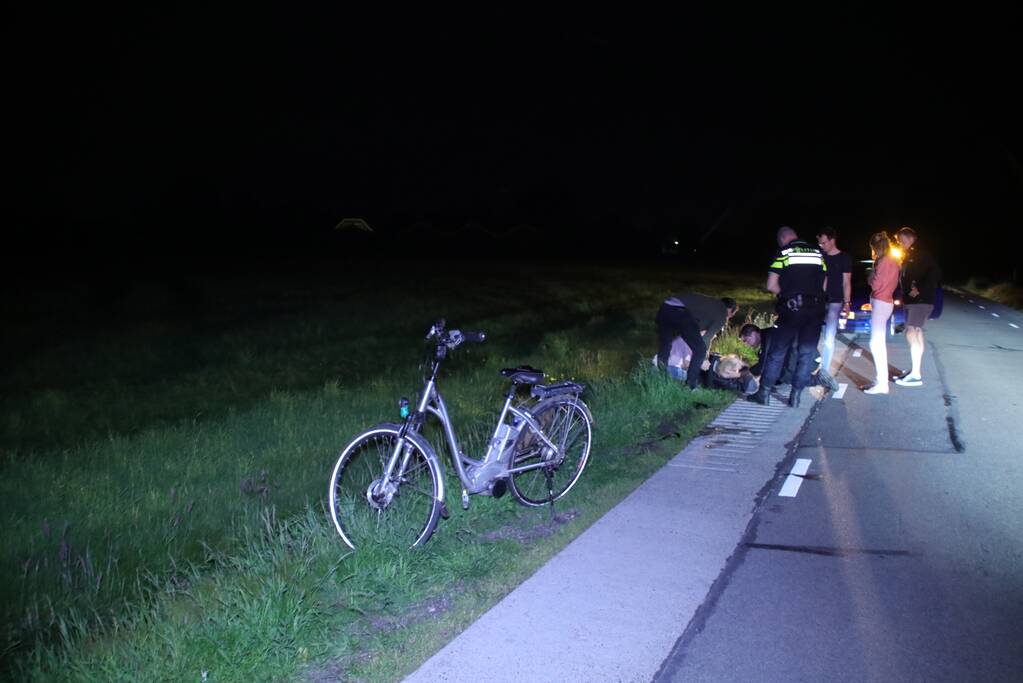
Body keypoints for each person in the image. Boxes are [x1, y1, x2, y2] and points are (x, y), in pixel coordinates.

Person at [747, 226, 827, 407]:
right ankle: (795, 397)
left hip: (791, 310)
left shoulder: (784, 252)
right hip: (814, 310)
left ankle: (764, 393)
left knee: (778, 352)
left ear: (782, 240)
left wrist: (787, 295)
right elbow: (824, 284)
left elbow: (771, 285)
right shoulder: (818, 253)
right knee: (806, 353)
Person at [655, 293, 738, 390]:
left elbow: (694, 327)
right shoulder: (722, 314)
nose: (729, 318)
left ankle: (661, 380)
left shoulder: (708, 304)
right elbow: (706, 338)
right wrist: (705, 358)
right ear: (730, 310)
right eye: (732, 315)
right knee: (700, 351)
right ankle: (691, 386)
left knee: (666, 346)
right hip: (680, 312)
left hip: (665, 307)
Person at [894, 226, 941, 387]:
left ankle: (916, 374)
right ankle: (915, 370)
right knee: (917, 331)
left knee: (910, 331)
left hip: (919, 301)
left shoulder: (921, 254)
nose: (901, 244)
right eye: (899, 242)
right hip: (915, 301)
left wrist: (918, 288)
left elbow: (935, 274)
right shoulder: (910, 255)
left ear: (912, 239)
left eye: (903, 241)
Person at [739, 323, 832, 391]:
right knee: (779, 371)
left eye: (747, 340)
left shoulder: (768, 338)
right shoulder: (768, 335)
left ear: (754, 334)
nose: (747, 345)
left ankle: (818, 379)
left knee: (786, 375)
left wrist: (744, 373)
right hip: (806, 357)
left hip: (809, 359)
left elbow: (763, 365)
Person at [864, 231, 900, 395]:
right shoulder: (893, 261)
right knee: (878, 342)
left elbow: (875, 285)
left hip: (880, 301)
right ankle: (880, 380)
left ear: (877, 247)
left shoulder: (883, 261)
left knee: (876, 343)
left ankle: (882, 383)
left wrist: (870, 276)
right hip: (886, 302)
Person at [815, 226, 851, 386]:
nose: (821, 245)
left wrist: (847, 302)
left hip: (836, 301)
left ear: (832, 240)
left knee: (829, 337)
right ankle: (812, 366)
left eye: (823, 242)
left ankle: (824, 371)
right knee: (814, 335)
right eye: (819, 243)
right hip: (818, 301)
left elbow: (846, 282)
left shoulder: (844, 258)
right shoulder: (819, 257)